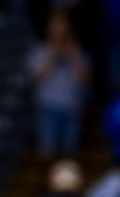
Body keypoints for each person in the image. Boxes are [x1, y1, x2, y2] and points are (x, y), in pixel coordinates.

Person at [28, 11, 91, 158]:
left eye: (62, 24)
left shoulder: (76, 50)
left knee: (70, 155)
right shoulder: (40, 50)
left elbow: (83, 78)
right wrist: (52, 55)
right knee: (47, 153)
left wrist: (72, 56)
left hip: (71, 106)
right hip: (47, 107)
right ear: (49, 27)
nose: (59, 28)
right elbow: (38, 77)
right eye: (56, 24)